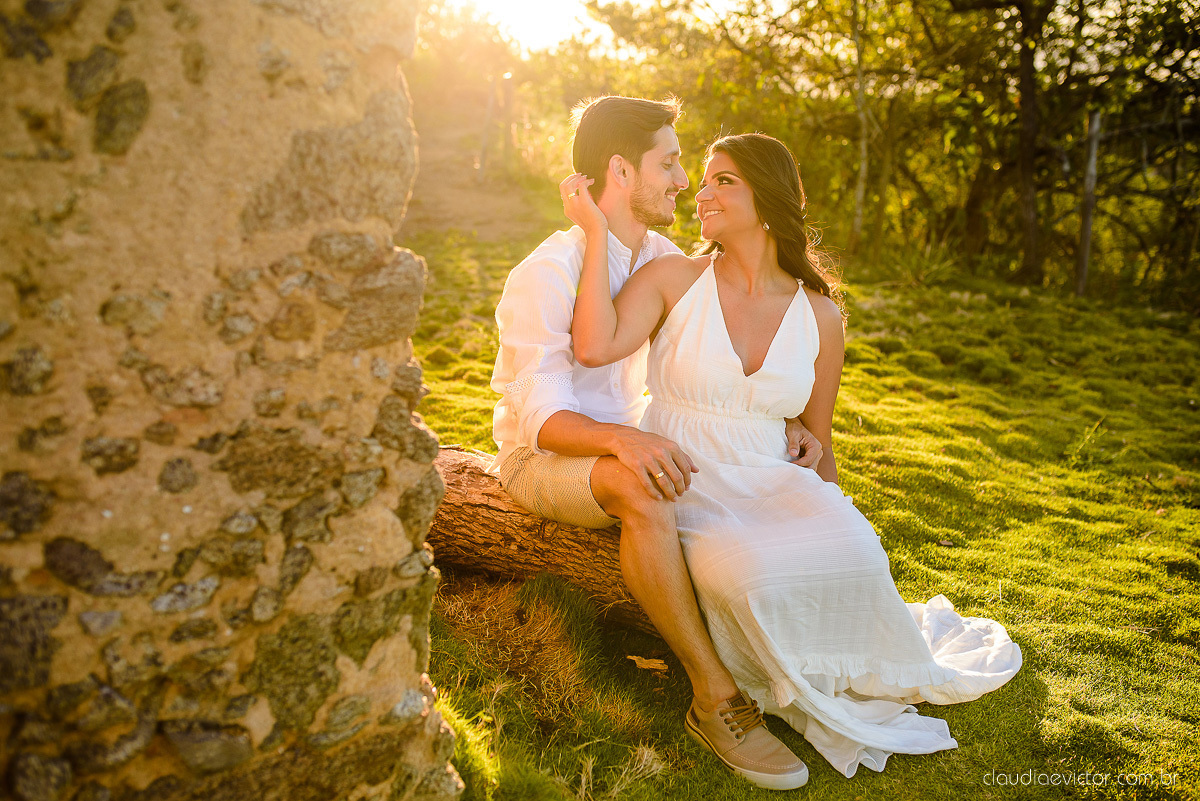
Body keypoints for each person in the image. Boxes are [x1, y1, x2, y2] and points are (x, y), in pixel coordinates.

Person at [561, 132, 1023, 780]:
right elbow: (593, 345)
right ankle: (724, 697)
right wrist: (591, 234)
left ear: (769, 196)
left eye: (723, 180)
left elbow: (817, 437)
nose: (701, 192)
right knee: (748, 574)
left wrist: (833, 511)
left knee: (858, 551)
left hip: (772, 473)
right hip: (691, 475)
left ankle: (837, 652)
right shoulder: (674, 279)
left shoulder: (820, 316)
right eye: (703, 180)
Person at [489, 98, 819, 790]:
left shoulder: (665, 260)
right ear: (620, 170)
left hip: (632, 443)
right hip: (541, 459)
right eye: (669, 163)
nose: (683, 181)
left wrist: (778, 419)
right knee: (642, 482)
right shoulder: (546, 272)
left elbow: (720, 356)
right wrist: (624, 440)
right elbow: (542, 420)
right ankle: (715, 697)